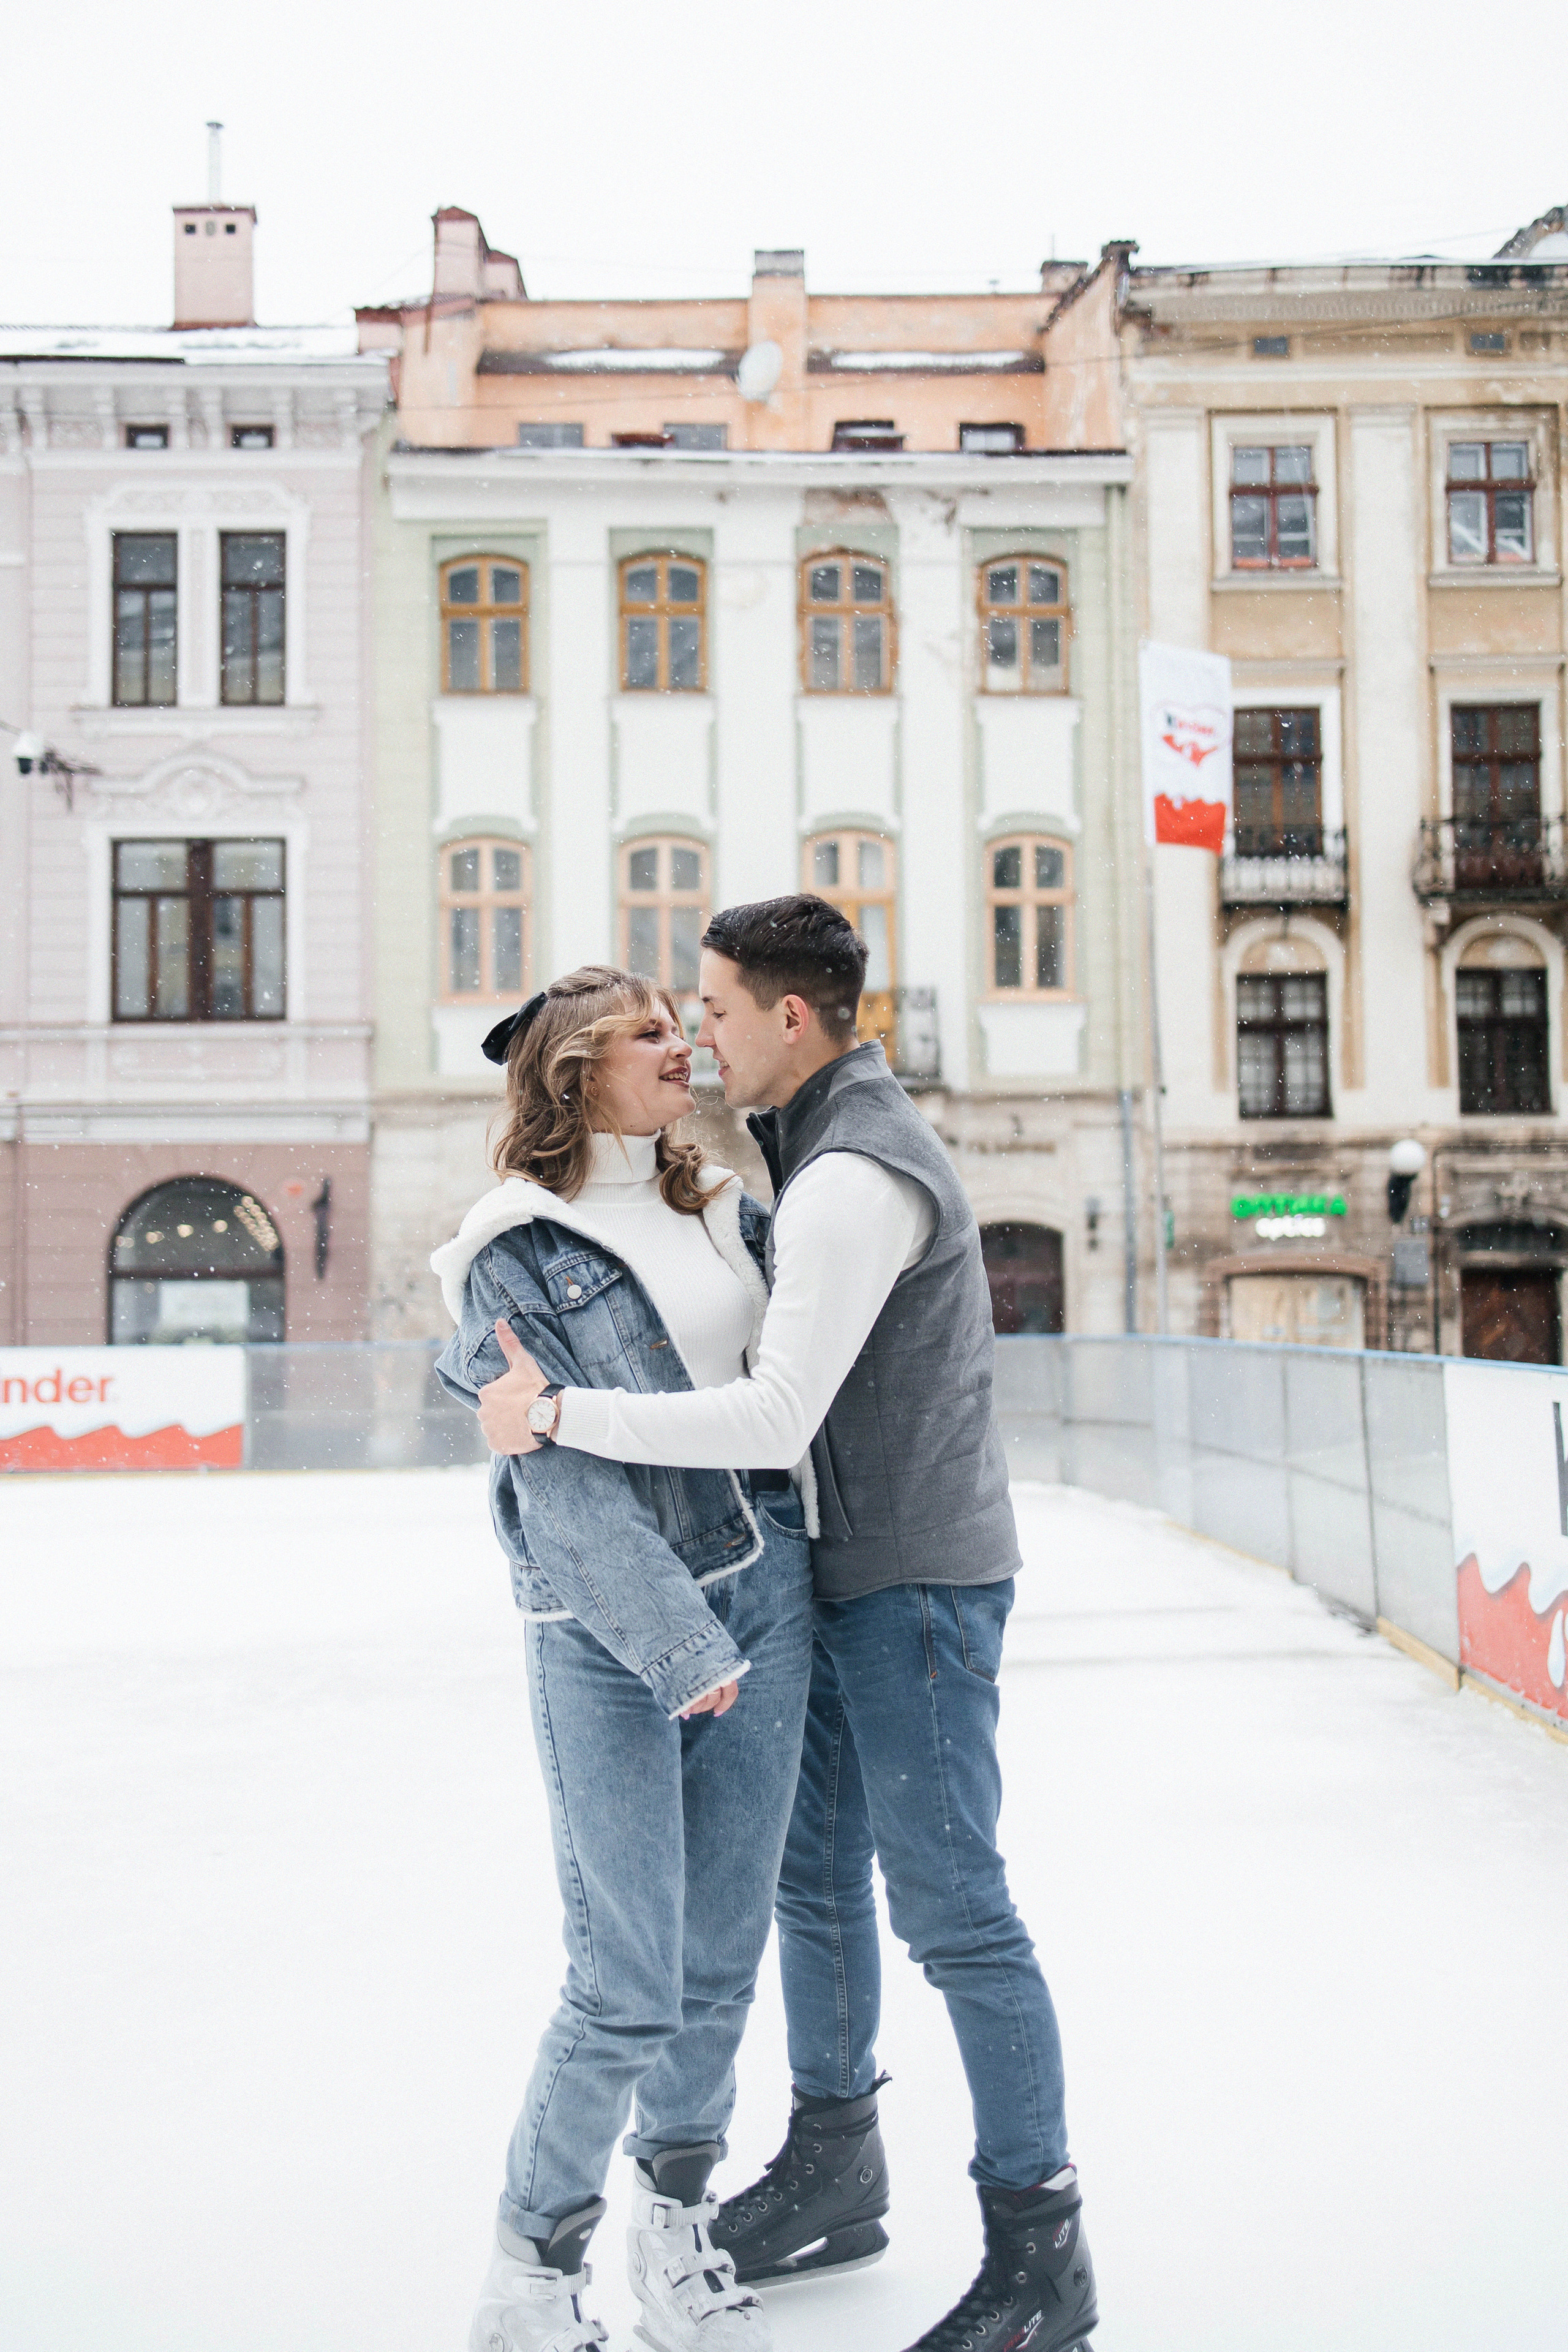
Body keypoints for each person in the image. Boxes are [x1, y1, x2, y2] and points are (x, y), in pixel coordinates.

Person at [477, 896, 1099, 2352]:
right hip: (789, 1586)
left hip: (900, 1581)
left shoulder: (826, 1183)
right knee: (793, 1897)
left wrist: (558, 1411)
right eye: (664, 1017)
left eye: (705, 1007)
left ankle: (1038, 2250)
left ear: (788, 1020)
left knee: (949, 1911)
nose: (695, 1031)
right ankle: (828, 2162)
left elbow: (772, 1411)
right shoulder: (752, 1176)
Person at [431, 966, 815, 2352]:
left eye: (679, 1023)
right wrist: (669, 1640)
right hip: (602, 1629)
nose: (682, 1045)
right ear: (572, 1071)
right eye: (647, 1032)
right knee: (625, 1979)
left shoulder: (722, 1206)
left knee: (718, 1959)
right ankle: (530, 2277)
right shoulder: (507, 1246)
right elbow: (555, 1481)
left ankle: (673, 2227)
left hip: (766, 1587)